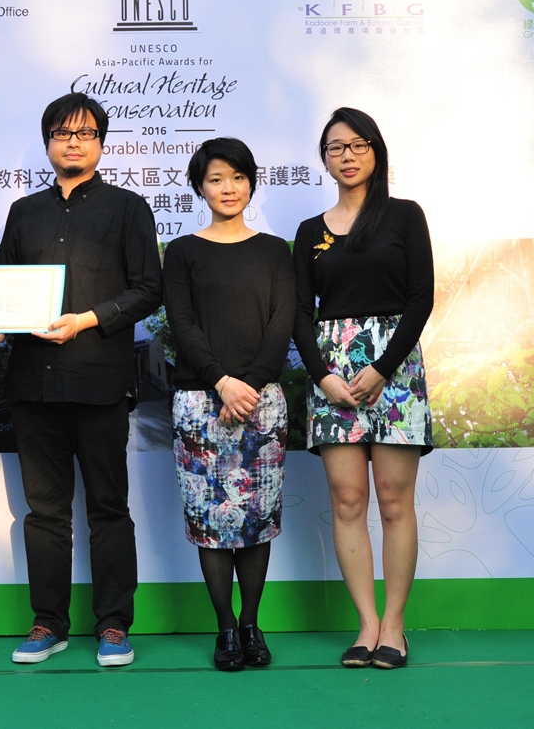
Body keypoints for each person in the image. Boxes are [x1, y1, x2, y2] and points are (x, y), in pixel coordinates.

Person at [1, 92, 162, 668]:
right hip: (33, 385)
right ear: (48, 142)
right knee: (43, 512)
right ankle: (48, 622)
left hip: (99, 382)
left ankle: (114, 624)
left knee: (107, 507)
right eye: (62, 132)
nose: (73, 141)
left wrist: (88, 320)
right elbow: (8, 290)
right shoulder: (24, 213)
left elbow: (149, 288)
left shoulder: (128, 208)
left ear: (100, 143)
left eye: (85, 132)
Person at [292, 107, 434, 670]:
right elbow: (301, 314)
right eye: (335, 147)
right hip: (331, 373)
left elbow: (421, 299)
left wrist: (381, 367)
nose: (347, 155)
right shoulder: (310, 232)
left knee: (395, 502)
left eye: (357, 144)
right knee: (347, 501)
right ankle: (366, 626)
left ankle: (395, 628)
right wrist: (324, 376)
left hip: (393, 369)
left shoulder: (404, 216)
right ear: (324, 159)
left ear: (376, 151)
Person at [163, 137, 294, 671]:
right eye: (216, 179)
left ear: (251, 182)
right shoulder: (183, 252)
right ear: (200, 187)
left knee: (256, 519)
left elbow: (282, 322)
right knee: (211, 521)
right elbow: (181, 323)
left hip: (263, 403)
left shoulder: (274, 250)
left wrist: (250, 386)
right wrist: (221, 381)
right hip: (200, 402)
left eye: (237, 177)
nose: (227, 188)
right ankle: (224, 630)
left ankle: (251, 625)